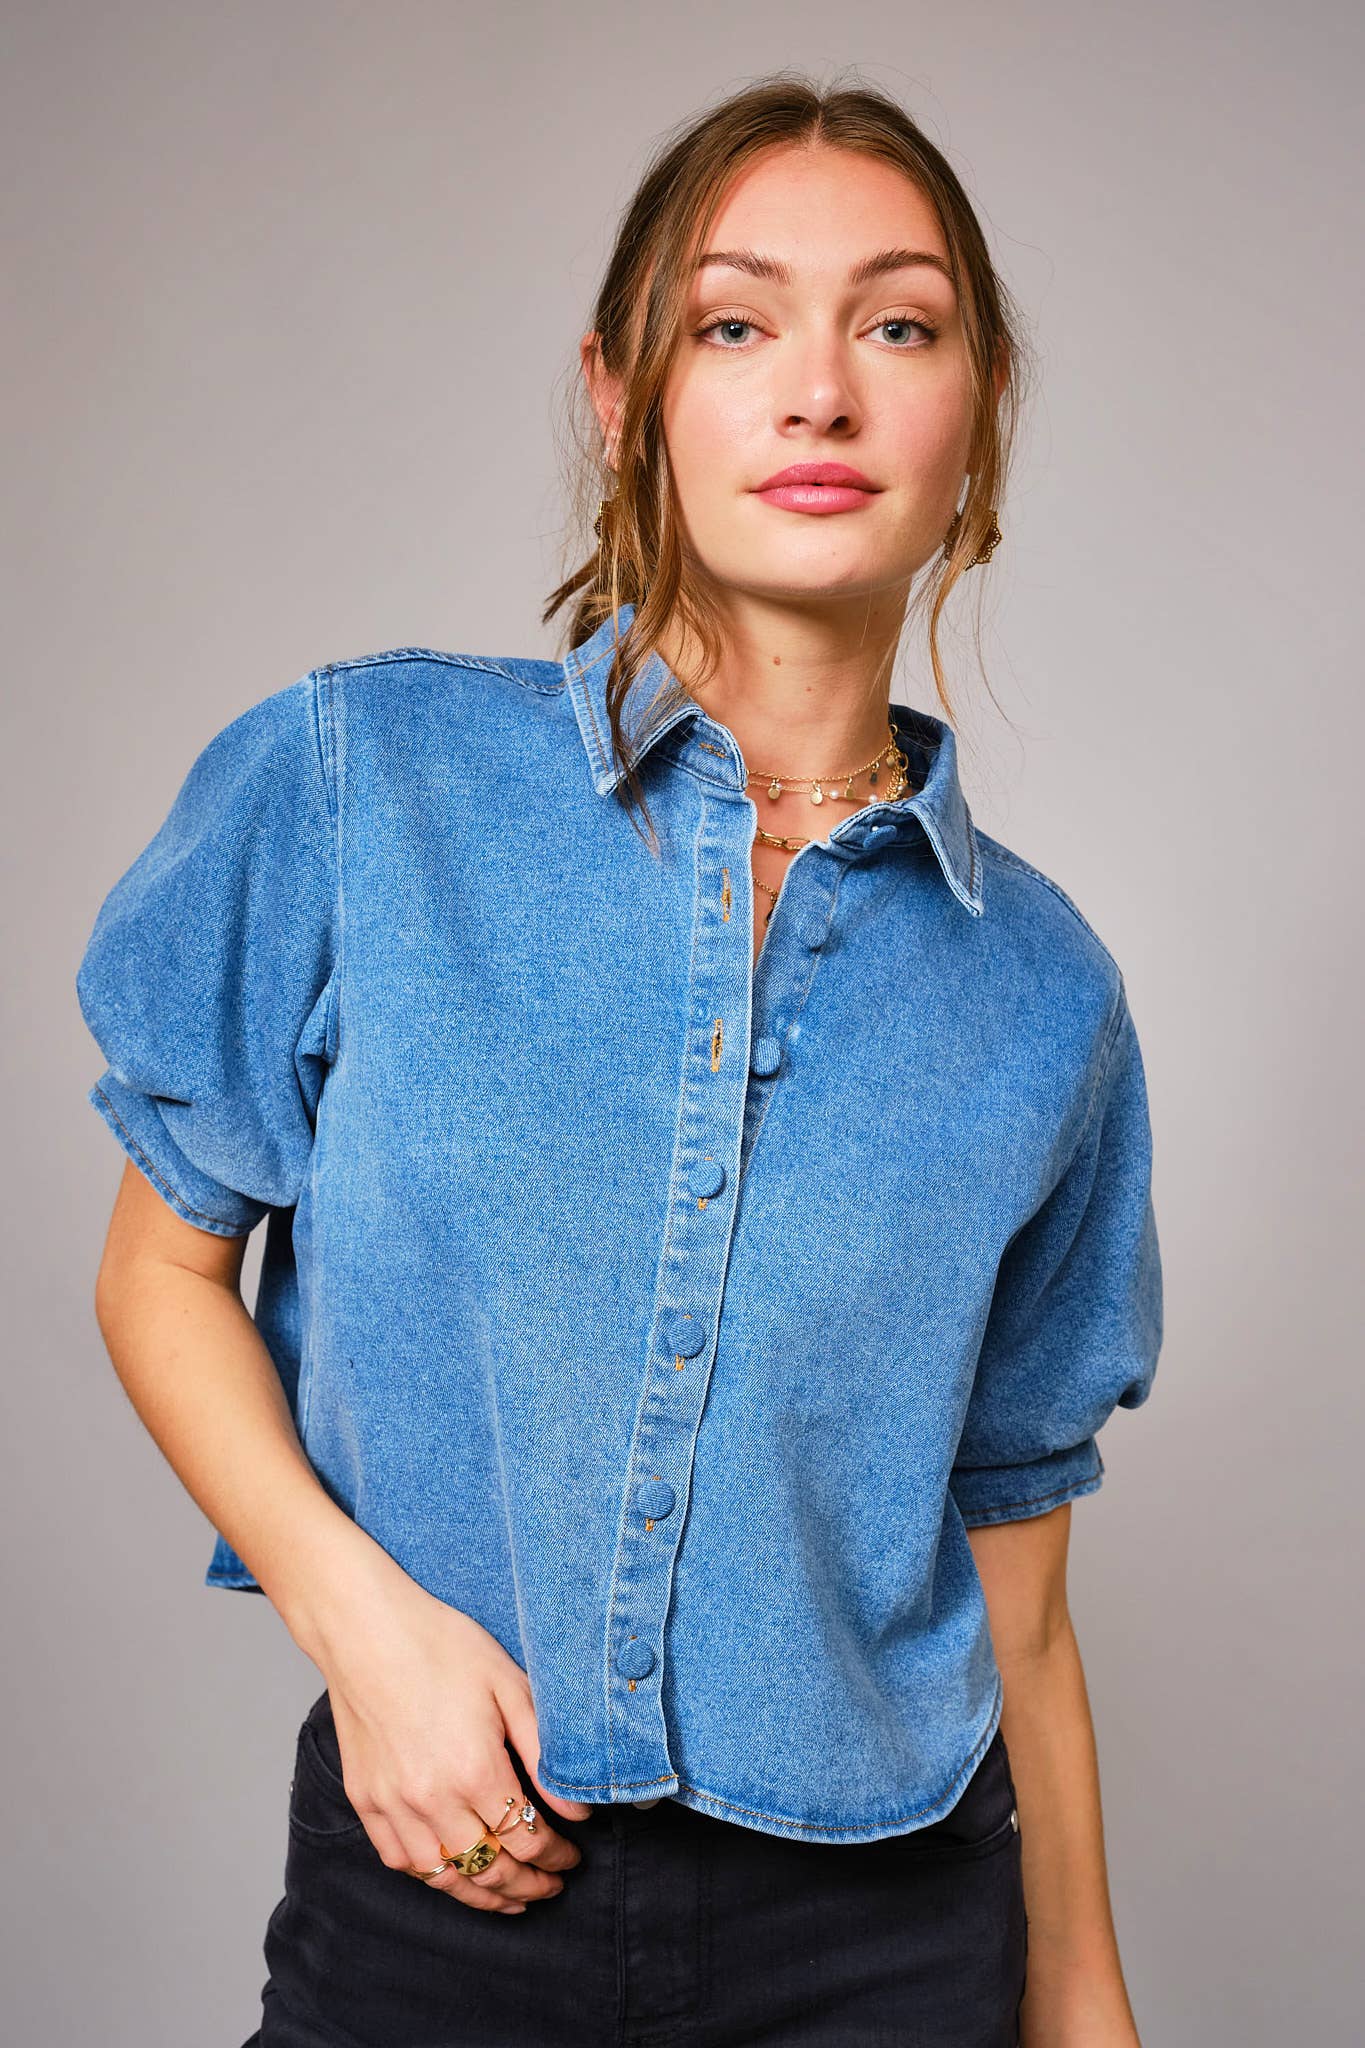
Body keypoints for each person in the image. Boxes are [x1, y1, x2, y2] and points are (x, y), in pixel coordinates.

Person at [76, 73, 1164, 2048]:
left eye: (895, 326)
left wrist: (1079, 2001)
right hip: (437, 1890)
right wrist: (360, 1625)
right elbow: (157, 1274)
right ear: (619, 392)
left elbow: (1017, 1580)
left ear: (975, 410)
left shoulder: (1042, 995)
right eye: (736, 322)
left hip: (887, 1949)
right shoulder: (358, 785)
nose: (817, 393)